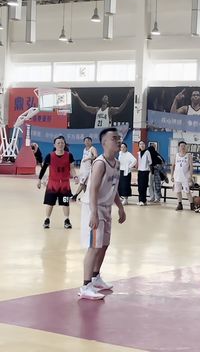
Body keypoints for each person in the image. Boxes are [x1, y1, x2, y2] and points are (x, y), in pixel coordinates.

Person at [78, 128, 126, 300]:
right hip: (95, 207)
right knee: (94, 246)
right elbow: (93, 189)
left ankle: (96, 277)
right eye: (114, 138)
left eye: (119, 138)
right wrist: (93, 213)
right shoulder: (100, 163)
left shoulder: (117, 163)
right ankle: (85, 286)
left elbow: (114, 187)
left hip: (106, 207)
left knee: (104, 244)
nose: (118, 140)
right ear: (104, 142)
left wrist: (120, 207)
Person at [37, 136, 77, 229]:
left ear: (64, 144)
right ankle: (47, 219)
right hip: (52, 184)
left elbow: (72, 168)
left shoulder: (69, 155)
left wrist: (75, 177)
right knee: (50, 203)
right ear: (54, 145)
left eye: (62, 143)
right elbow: (43, 169)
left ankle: (67, 220)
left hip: (65, 185)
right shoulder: (49, 156)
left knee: (65, 203)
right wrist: (39, 180)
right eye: (58, 143)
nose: (60, 144)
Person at [72, 137, 98, 201]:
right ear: (84, 142)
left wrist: (89, 158)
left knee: (82, 183)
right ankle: (86, 197)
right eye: (86, 141)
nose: (87, 142)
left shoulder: (92, 149)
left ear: (91, 142)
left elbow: (96, 156)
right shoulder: (84, 149)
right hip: (83, 169)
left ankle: (75, 196)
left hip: (88, 169)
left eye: (88, 141)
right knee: (84, 184)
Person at [172, 141, 195, 211]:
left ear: (186, 147)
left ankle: (192, 204)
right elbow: (173, 166)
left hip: (185, 177)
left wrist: (190, 176)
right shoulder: (176, 155)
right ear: (179, 147)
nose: (183, 147)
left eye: (184, 146)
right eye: (181, 146)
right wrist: (172, 176)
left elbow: (191, 167)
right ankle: (180, 204)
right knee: (178, 191)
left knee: (187, 191)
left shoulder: (189, 155)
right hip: (177, 176)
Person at [137, 141, 151, 206]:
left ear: (145, 145)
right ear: (139, 146)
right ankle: (141, 200)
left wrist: (146, 166)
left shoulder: (147, 152)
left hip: (145, 171)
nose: (142, 145)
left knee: (143, 186)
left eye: (143, 144)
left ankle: (143, 200)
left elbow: (150, 162)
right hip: (140, 171)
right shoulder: (139, 153)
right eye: (140, 144)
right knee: (140, 186)